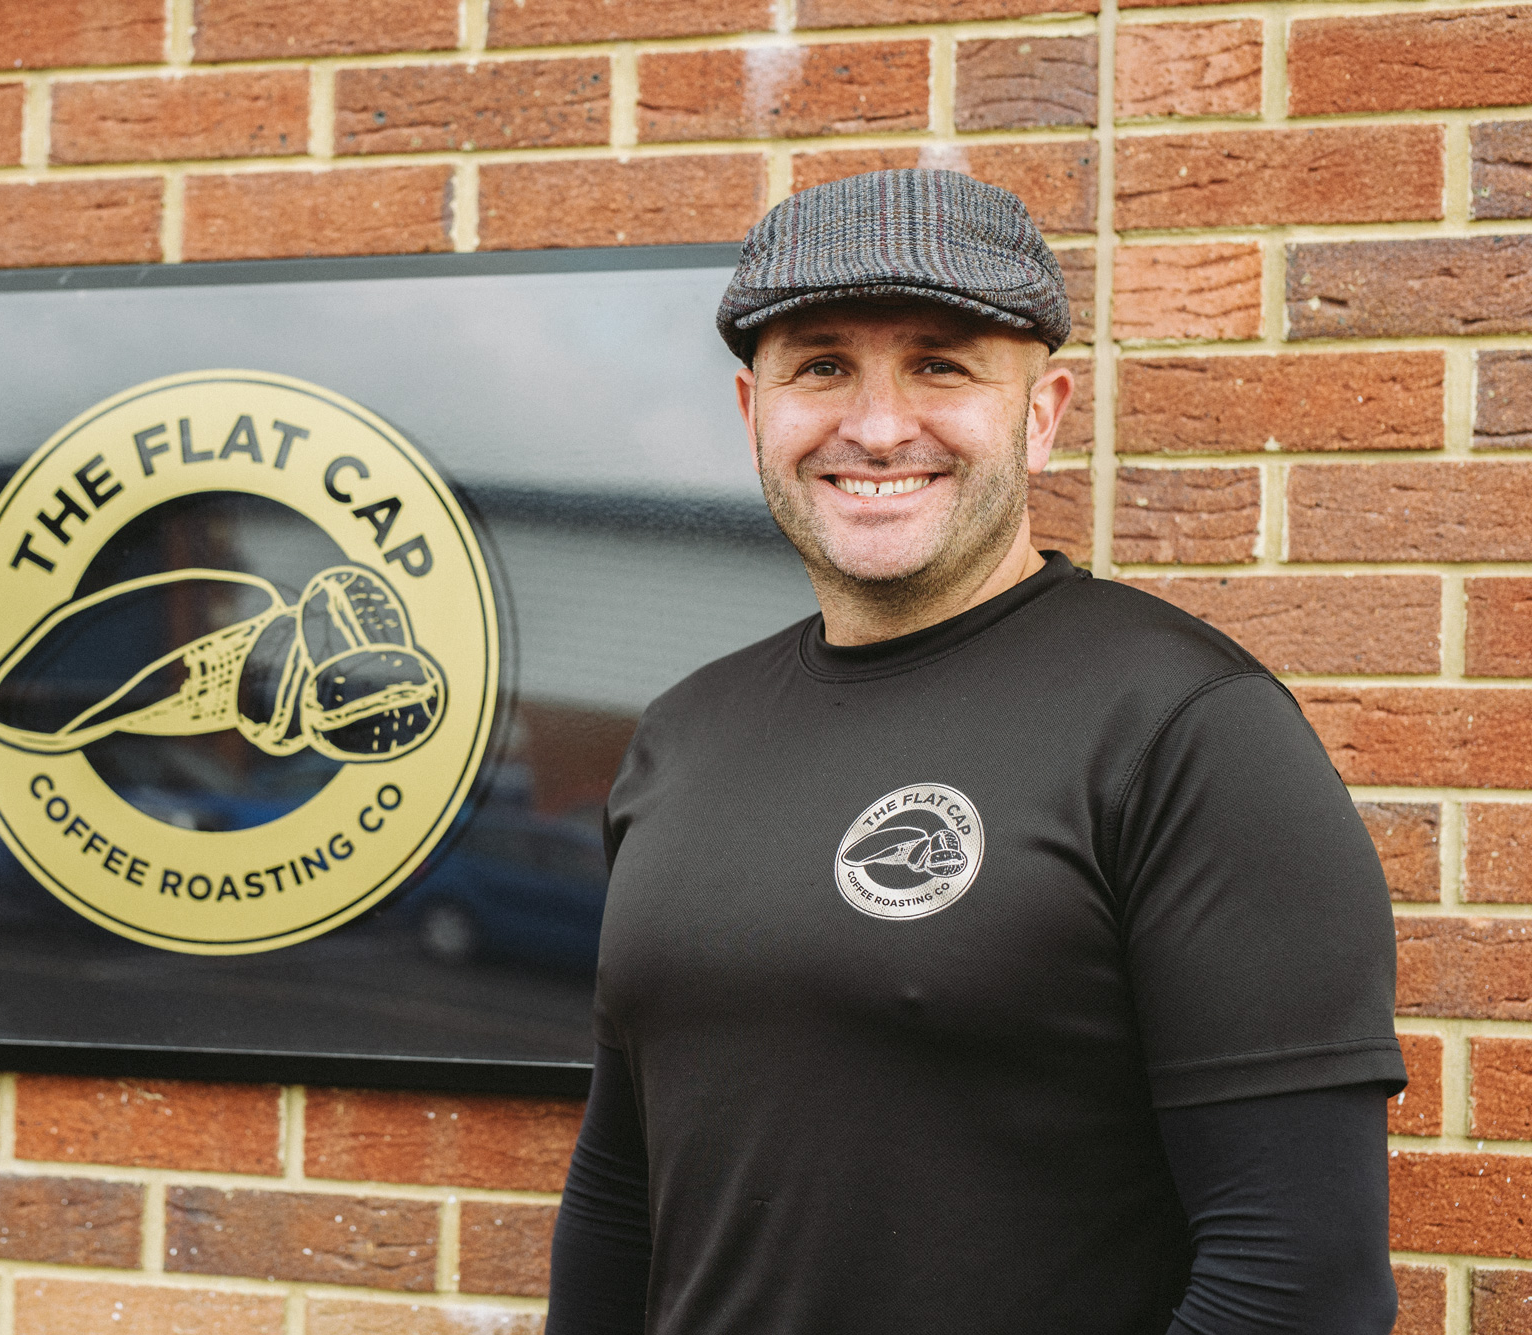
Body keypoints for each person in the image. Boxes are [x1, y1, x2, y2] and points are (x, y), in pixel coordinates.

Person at [545, 170, 1405, 1334]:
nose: (877, 424)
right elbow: (620, 1194)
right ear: (754, 414)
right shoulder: (682, 737)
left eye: (940, 364)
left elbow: (1298, 1283)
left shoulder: (1183, 730)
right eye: (822, 366)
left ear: (1039, 414)